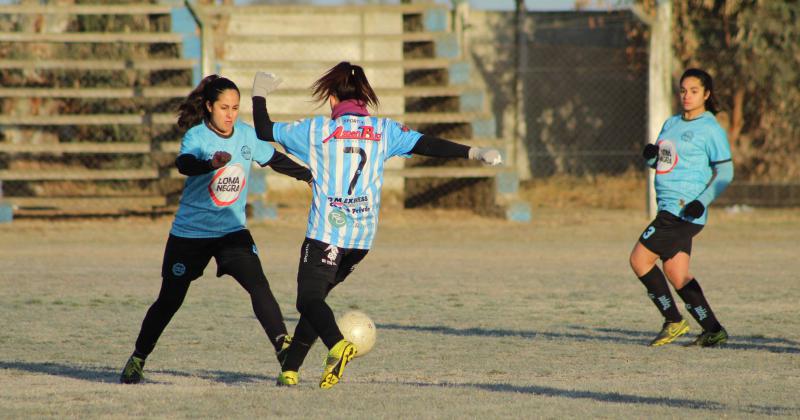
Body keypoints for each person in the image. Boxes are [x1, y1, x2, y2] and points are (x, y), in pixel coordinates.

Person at [250, 62, 503, 388]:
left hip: (326, 233)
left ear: (330, 98)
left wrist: (259, 92)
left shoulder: (315, 131)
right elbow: (428, 144)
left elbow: (264, 130)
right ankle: (291, 368)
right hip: (361, 240)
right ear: (364, 98)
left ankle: (338, 346)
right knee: (318, 303)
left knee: (307, 301)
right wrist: (475, 152)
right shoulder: (385, 131)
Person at [119, 75, 313, 384]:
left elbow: (274, 158)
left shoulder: (246, 136)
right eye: (224, 107)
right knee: (169, 300)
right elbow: (184, 164)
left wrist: (310, 177)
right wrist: (210, 164)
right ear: (209, 106)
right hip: (190, 235)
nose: (230, 114)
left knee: (258, 284)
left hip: (231, 232)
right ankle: (138, 357)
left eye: (235, 108)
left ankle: (283, 350)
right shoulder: (197, 137)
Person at [630, 68, 734, 348]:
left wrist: (703, 200)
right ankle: (713, 330)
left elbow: (725, 173)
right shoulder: (672, 123)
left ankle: (673, 321)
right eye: (683, 90)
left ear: (706, 94)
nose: (687, 96)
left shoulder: (710, 129)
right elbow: (665, 163)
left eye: (694, 91)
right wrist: (651, 159)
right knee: (677, 274)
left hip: (684, 212)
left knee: (639, 260)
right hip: (667, 208)